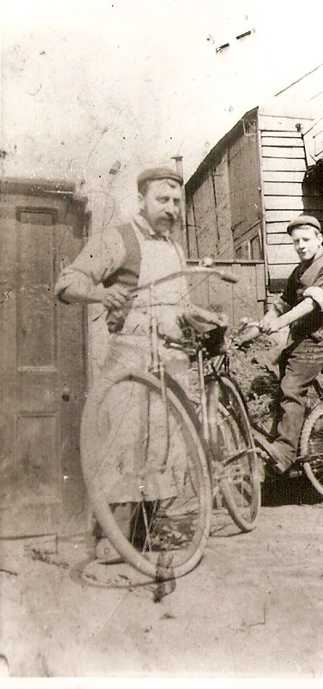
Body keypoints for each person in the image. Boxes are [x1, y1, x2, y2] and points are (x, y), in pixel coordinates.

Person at [55, 166, 225, 559]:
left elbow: (176, 306)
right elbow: (67, 283)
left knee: (165, 447)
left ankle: (139, 536)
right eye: (162, 200)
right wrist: (99, 293)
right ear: (142, 201)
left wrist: (200, 316)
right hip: (131, 359)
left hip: (171, 357)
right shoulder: (119, 239)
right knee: (126, 445)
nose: (171, 208)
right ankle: (110, 537)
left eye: (177, 201)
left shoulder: (174, 248)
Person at [259, 214, 323, 473]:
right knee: (271, 379)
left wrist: (281, 322)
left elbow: (311, 304)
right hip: (299, 340)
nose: (301, 246)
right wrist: (265, 321)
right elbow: (282, 304)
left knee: (292, 387)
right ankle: (284, 440)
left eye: (306, 240)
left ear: (319, 238)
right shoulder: (299, 271)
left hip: (318, 339)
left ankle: (284, 452)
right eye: (296, 242)